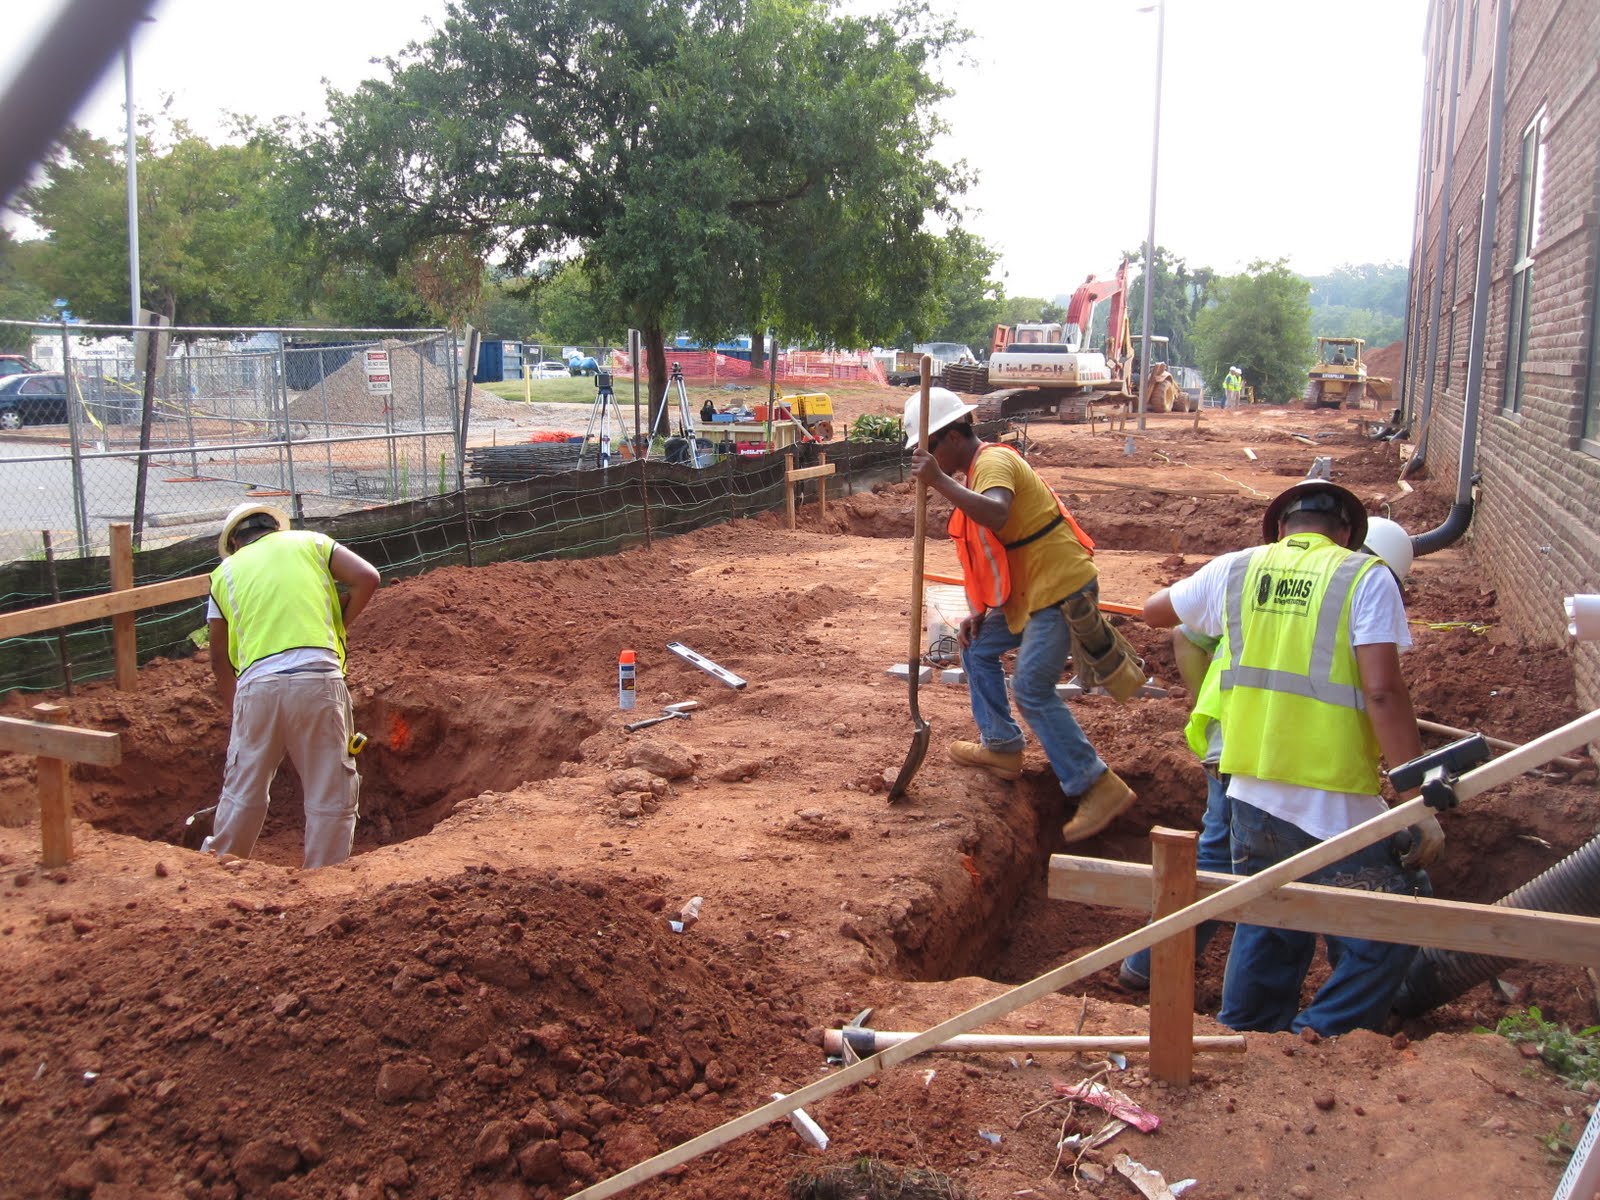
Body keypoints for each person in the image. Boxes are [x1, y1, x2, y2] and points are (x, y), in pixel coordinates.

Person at [1140, 480, 1443, 1036]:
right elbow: (1382, 692)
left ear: (1282, 526)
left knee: (1270, 916)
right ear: (1348, 533)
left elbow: (1155, 610)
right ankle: (1318, 1037)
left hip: (1250, 785)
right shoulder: (1364, 576)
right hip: (1331, 795)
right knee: (1394, 922)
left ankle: (1249, 1036)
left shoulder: (1236, 568)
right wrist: (1415, 795)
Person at [907, 388, 1139, 842]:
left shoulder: (992, 462)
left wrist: (938, 481)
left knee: (1032, 689)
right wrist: (982, 611)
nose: (925, 458)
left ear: (952, 436)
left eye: (928, 447)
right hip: (1029, 595)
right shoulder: (973, 474)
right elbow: (992, 553)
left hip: (1058, 588)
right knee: (976, 649)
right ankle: (1002, 747)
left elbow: (997, 514)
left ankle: (1097, 783)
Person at [201, 503, 381, 869]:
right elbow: (368, 577)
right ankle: (325, 879)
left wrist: (238, 712)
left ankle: (216, 874)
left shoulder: (225, 573)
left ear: (235, 541)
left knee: (243, 790)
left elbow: (219, 658)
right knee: (330, 789)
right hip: (318, 679)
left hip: (257, 687)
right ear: (275, 529)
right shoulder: (311, 543)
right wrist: (339, 622)